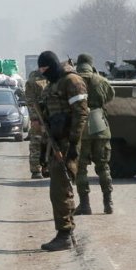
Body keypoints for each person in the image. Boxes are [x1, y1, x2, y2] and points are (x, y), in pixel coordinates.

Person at [36, 51, 89, 251]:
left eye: (45, 69)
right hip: (55, 141)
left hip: (67, 142)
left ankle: (65, 234)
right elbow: (47, 119)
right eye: (40, 70)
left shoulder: (72, 81)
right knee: (57, 190)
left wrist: (74, 143)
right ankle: (64, 231)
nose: (43, 73)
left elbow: (81, 113)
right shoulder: (52, 84)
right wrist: (43, 151)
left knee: (61, 188)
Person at [73, 53, 115, 215]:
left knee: (80, 168)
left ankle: (85, 205)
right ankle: (108, 203)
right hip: (100, 125)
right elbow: (110, 95)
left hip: (79, 126)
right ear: (91, 64)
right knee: (103, 166)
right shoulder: (101, 80)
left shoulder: (73, 80)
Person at [24, 69, 49, 179]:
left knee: (50, 143)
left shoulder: (56, 78)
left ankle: (46, 168)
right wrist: (34, 118)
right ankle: (36, 169)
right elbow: (30, 101)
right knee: (36, 143)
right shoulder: (33, 80)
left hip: (53, 116)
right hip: (40, 117)